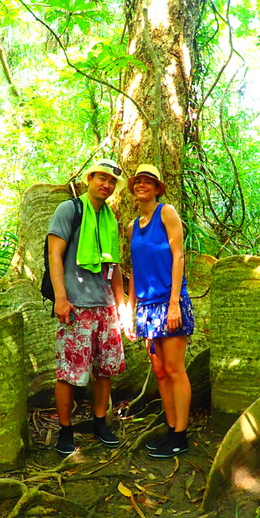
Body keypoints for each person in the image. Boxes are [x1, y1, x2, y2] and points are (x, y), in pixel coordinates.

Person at [47, 158, 129, 455]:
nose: (106, 185)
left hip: (105, 306)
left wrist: (121, 304)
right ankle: (65, 431)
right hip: (76, 305)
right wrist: (61, 298)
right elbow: (54, 255)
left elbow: (114, 266)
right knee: (68, 372)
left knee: (105, 370)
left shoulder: (109, 219)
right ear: (90, 178)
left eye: (112, 182)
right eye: (101, 178)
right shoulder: (69, 210)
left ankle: (99, 423)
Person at [126, 164, 194, 459]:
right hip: (146, 307)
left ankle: (181, 435)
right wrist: (130, 311)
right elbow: (135, 269)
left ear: (156, 189)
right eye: (138, 181)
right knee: (160, 372)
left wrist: (175, 303)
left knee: (176, 370)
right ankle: (170, 428)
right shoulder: (132, 227)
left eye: (148, 182)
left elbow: (178, 256)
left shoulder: (166, 213)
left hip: (169, 301)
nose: (142, 185)